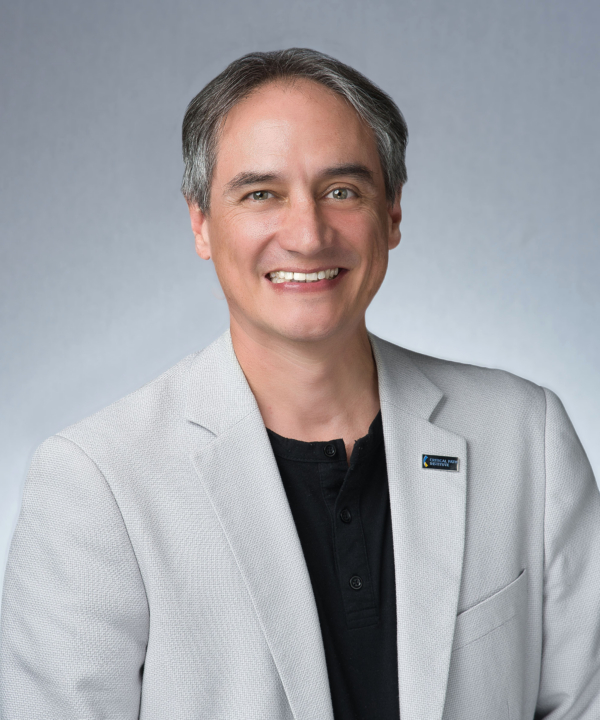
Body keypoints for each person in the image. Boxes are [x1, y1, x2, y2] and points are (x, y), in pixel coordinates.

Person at [1, 48, 599, 720]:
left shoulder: (525, 435)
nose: (308, 235)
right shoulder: (98, 482)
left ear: (393, 212)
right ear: (201, 222)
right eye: (261, 194)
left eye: (341, 191)